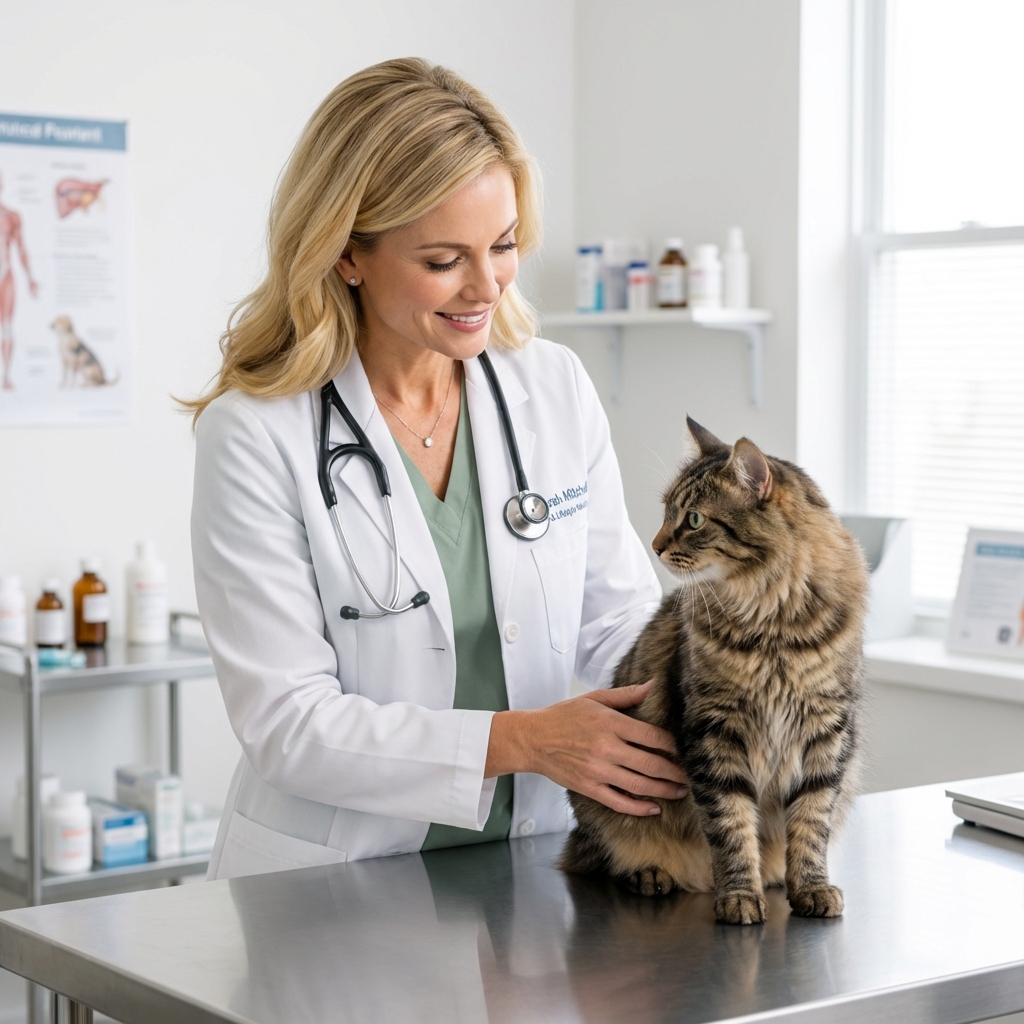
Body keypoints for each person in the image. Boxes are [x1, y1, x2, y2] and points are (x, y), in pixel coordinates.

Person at [188, 58, 687, 879]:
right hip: (334, 884)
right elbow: (288, 724)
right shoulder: (256, 435)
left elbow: (615, 624)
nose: (486, 285)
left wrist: (714, 684)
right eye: (444, 259)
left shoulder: (551, 386)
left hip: (533, 863)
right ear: (348, 254)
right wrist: (522, 740)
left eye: (504, 244)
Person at [0, 172, 39, 390]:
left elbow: (21, 248)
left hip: (5, 277)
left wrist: (30, 277)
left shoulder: (11, 217)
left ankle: (5, 376)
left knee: (6, 327)